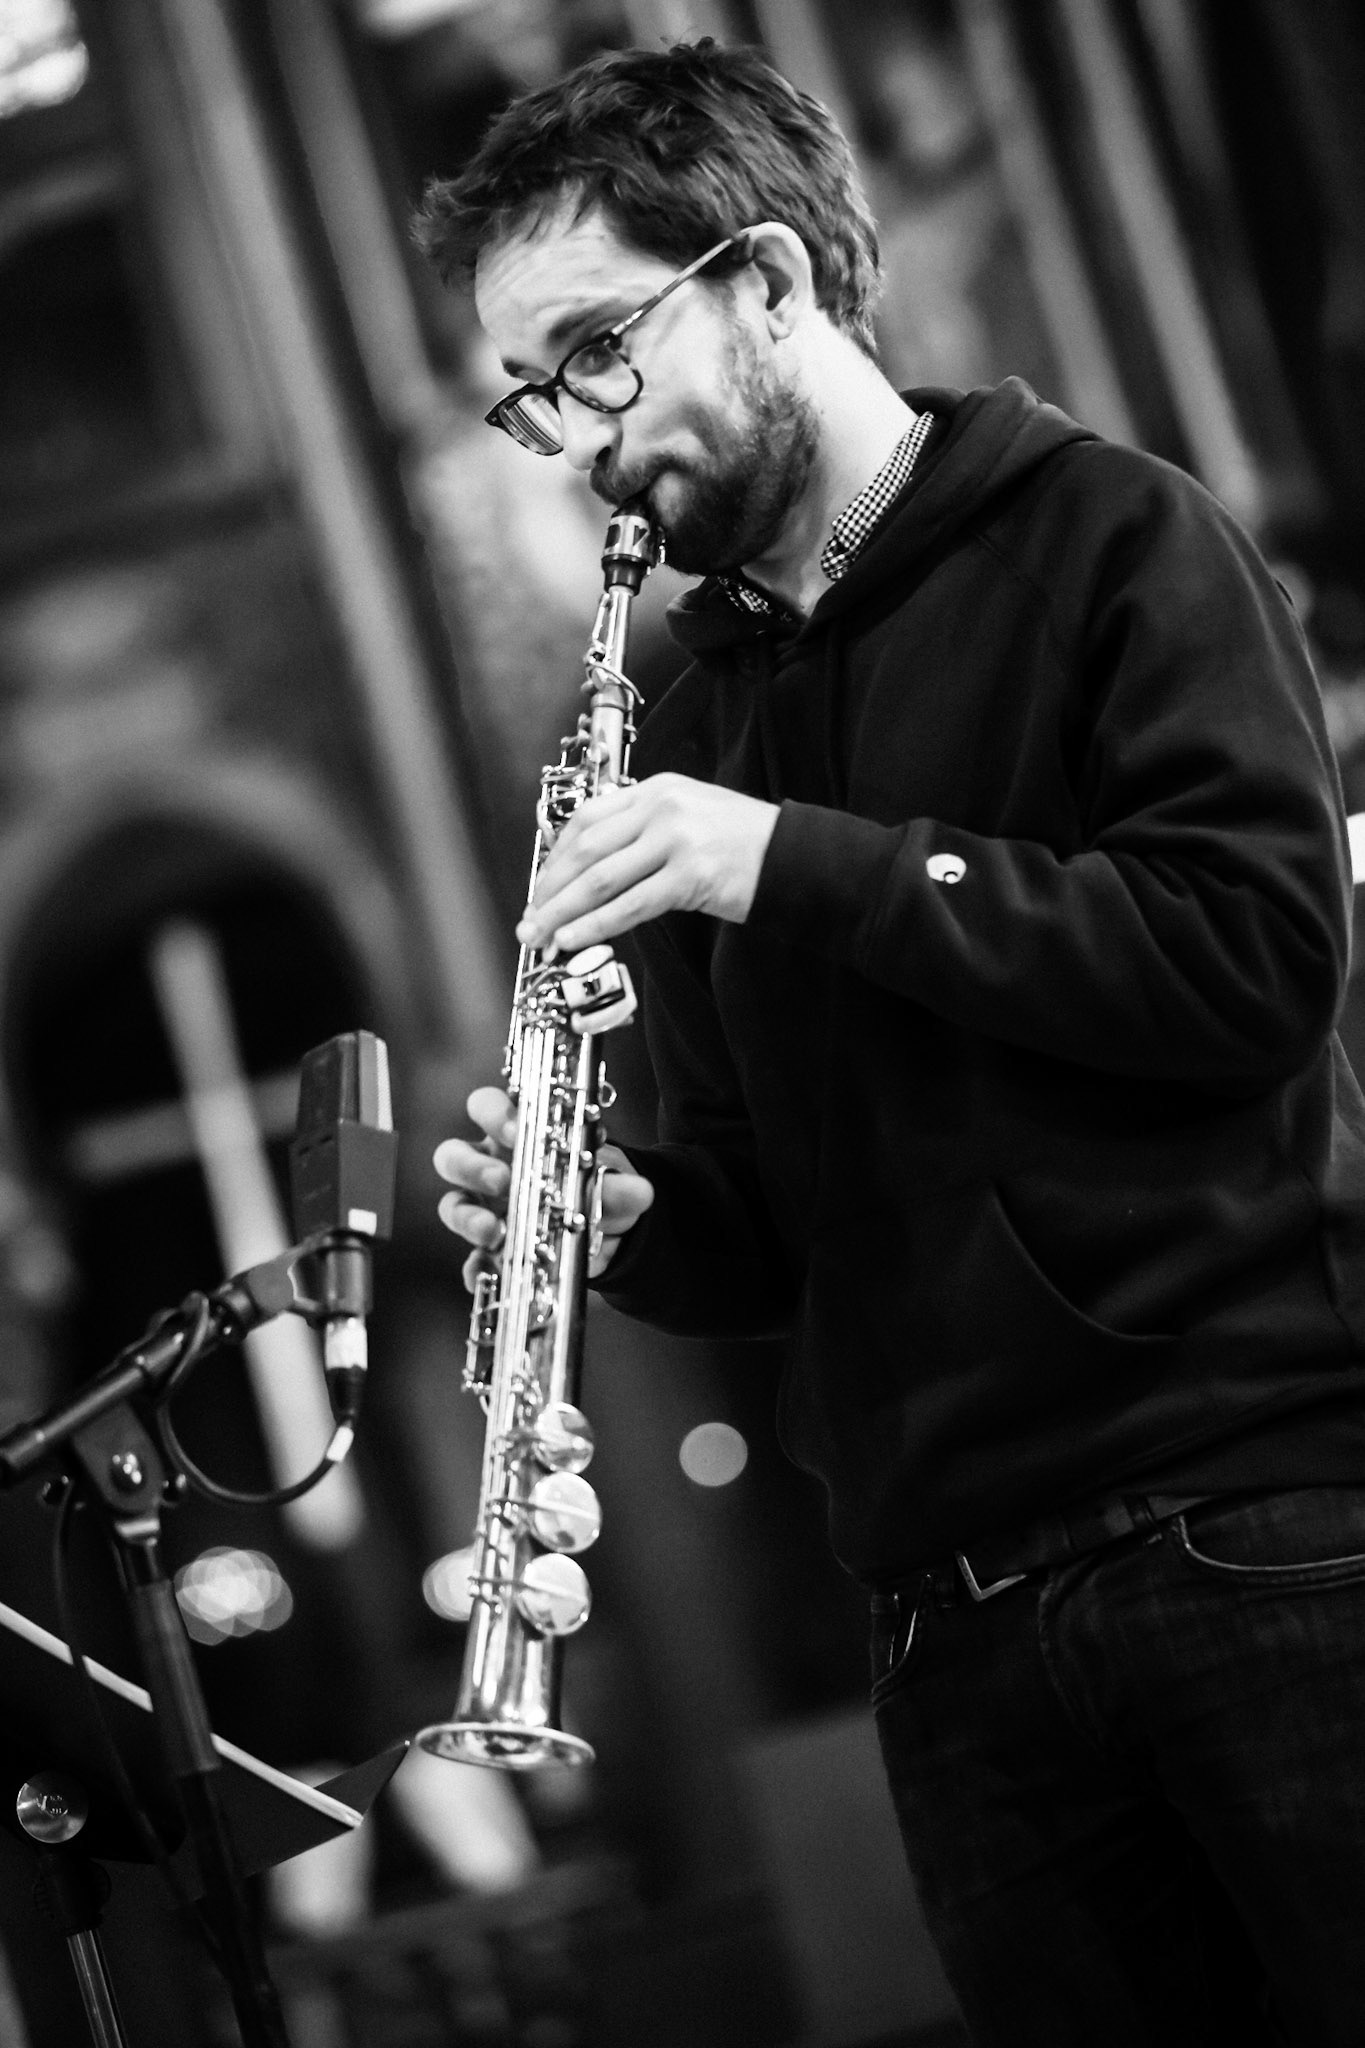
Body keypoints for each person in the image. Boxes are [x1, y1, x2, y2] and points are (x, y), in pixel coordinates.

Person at [415, 38, 1365, 2046]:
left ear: (761, 279)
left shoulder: (1113, 534)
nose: (576, 440)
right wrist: (618, 1210)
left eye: (597, 352)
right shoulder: (682, 736)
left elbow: (1251, 964)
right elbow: (761, 1228)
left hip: (1258, 1528)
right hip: (948, 1626)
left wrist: (794, 865)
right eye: (531, 397)